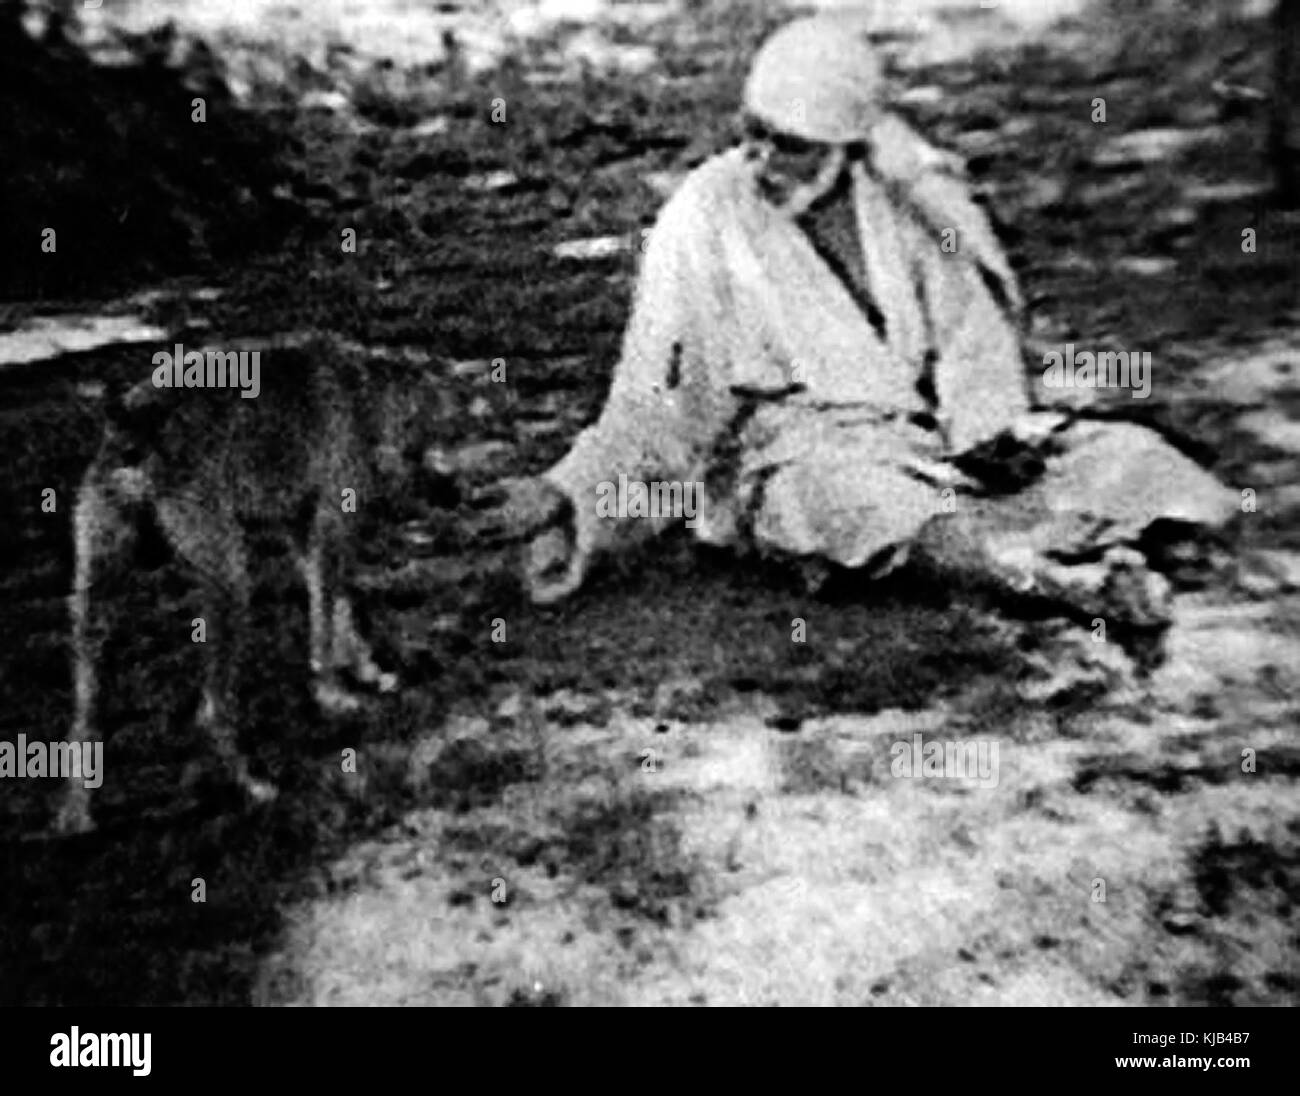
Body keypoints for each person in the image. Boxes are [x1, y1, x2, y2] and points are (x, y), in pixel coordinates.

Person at [511, 15, 1237, 633]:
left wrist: (989, 434)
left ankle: (1060, 549)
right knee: (863, 503)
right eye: (753, 133)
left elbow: (971, 340)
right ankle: (1064, 584)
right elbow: (657, 397)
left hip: (936, 443)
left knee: (1132, 457)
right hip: (807, 454)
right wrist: (571, 489)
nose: (764, 160)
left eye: (791, 145)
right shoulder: (706, 215)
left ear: (846, 149)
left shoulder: (908, 207)